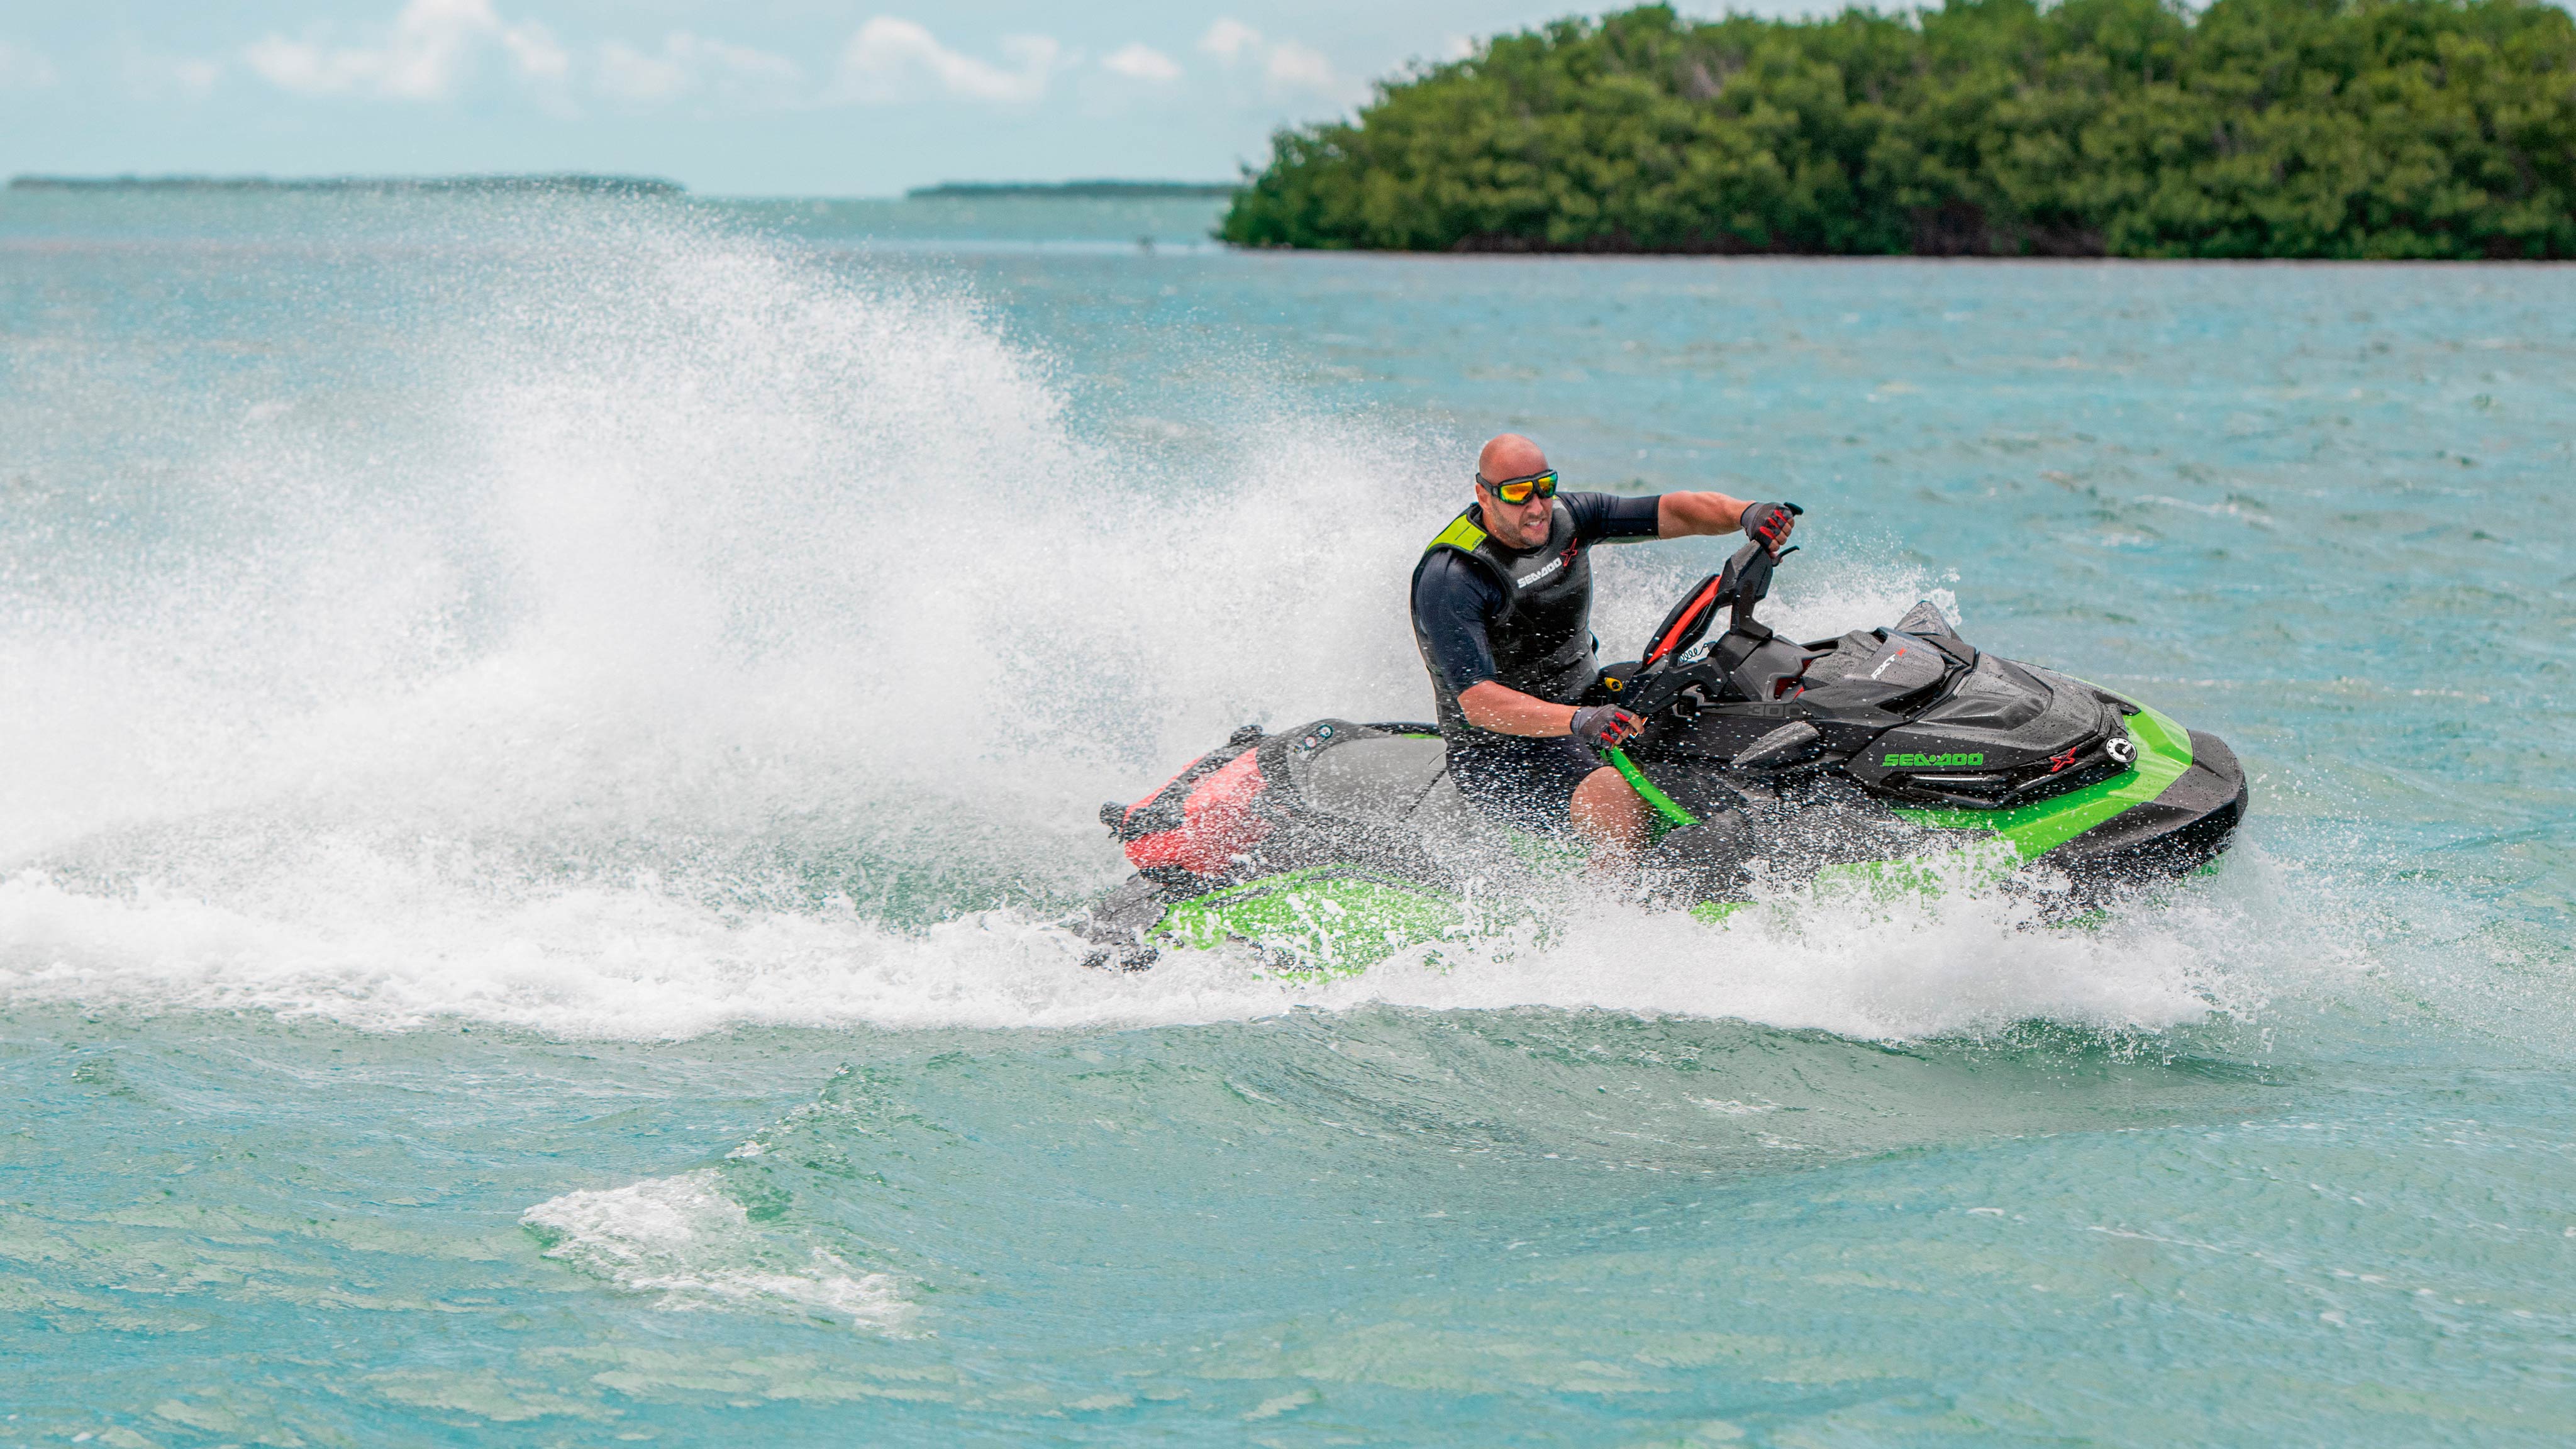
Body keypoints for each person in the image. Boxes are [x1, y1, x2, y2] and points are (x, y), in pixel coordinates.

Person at [1409, 433, 1798, 863]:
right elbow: (1478, 704)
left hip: (1590, 703)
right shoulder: (1453, 577)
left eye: (1545, 487)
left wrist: (1746, 513)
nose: (1537, 508)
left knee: (1703, 692)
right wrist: (1579, 721)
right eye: (1518, 494)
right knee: (1617, 800)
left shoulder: (1571, 518)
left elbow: (1673, 510)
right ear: (1484, 493)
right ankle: (1611, 918)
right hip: (1501, 750)